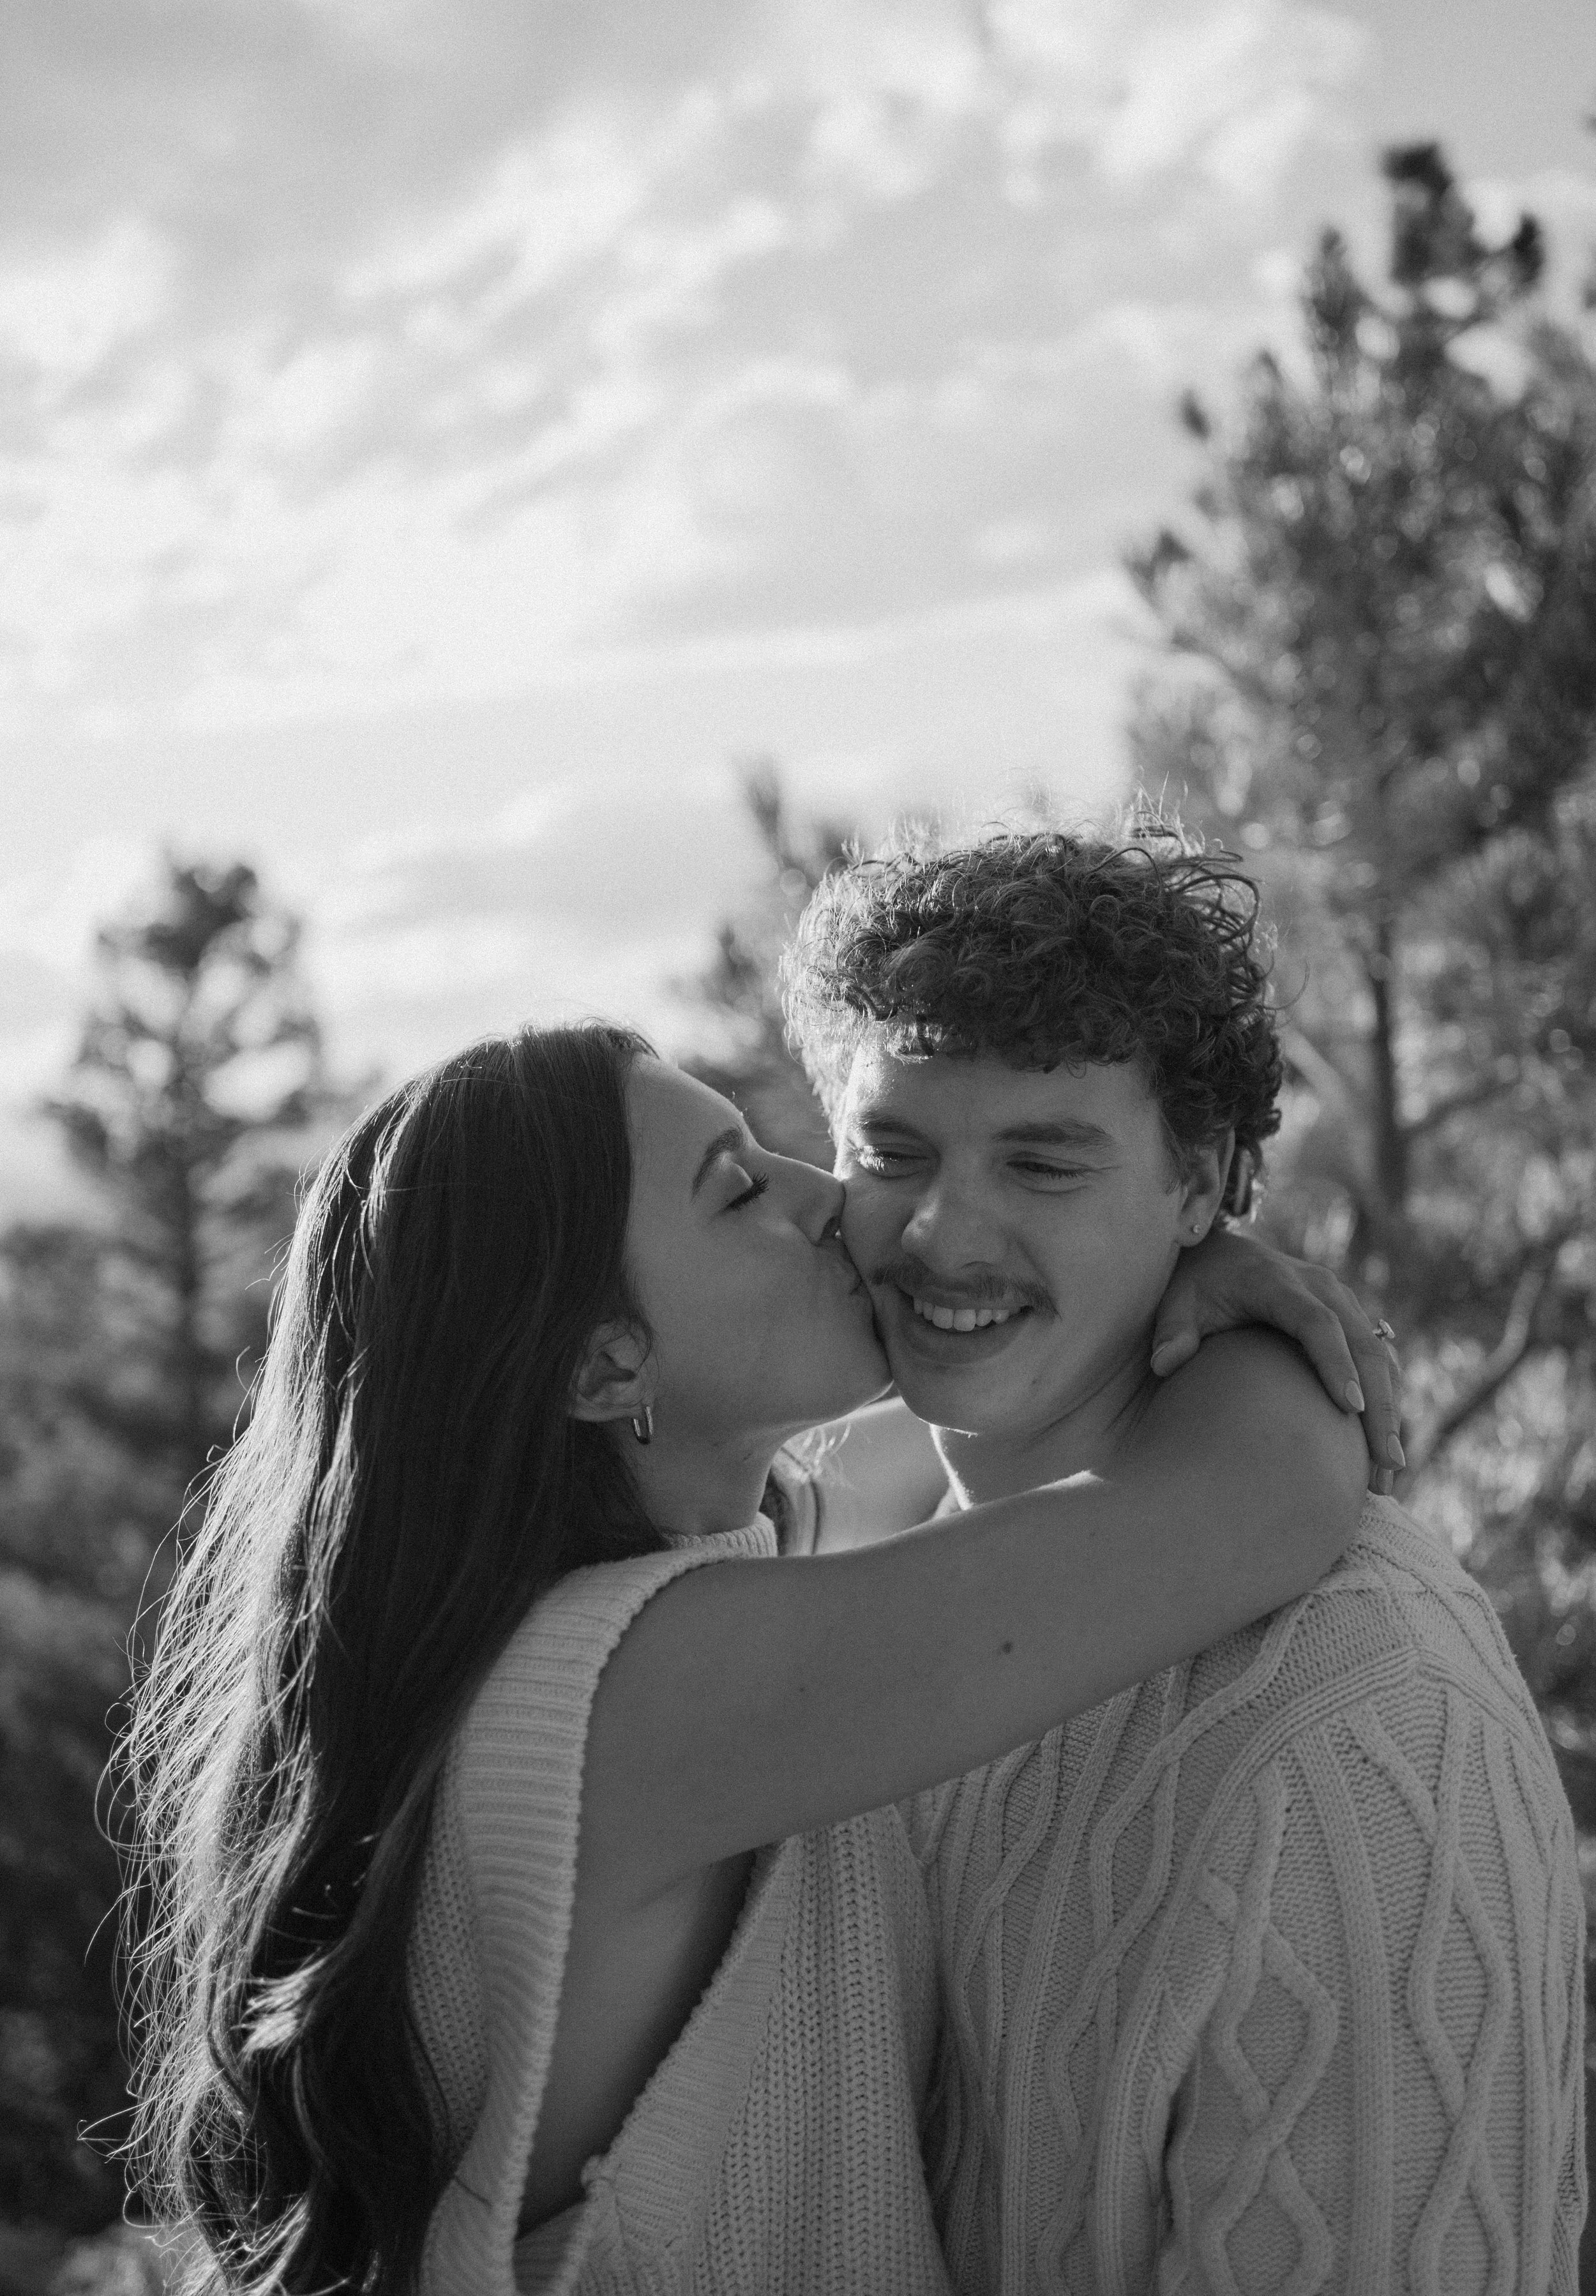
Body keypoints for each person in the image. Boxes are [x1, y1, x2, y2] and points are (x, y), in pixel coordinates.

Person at [121, 1020, 1392, 2296]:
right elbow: (1262, 1497)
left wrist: (1159, 1263)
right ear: (604, 1364)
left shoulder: (589, 1658)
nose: (832, 1199)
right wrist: (1208, 1286)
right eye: (739, 1190)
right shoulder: (645, 1695)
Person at [783, 823, 1589, 2295]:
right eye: (892, 1149)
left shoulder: (1354, 1721)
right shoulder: (870, 1567)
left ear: (1202, 1184)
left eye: (1043, 1162)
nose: (942, 1229)